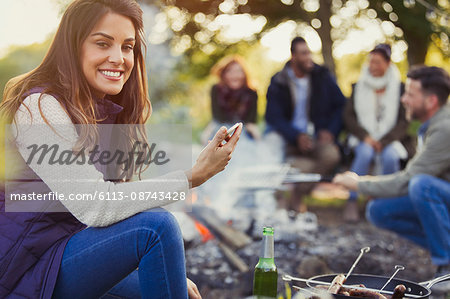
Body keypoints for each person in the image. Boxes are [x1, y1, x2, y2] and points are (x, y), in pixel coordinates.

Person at [0, 1, 242, 298]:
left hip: (60, 258)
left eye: (127, 47)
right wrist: (192, 176)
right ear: (73, 47)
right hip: (19, 270)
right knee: (157, 227)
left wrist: (170, 270)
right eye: (103, 43)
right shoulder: (40, 107)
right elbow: (96, 205)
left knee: (168, 282)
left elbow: (119, 211)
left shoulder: (107, 113)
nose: (118, 58)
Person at [334, 66, 450, 285]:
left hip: (440, 194)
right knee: (379, 211)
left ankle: (446, 267)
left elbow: (408, 180)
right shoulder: (433, 124)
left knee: (421, 185)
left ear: (431, 101)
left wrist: (359, 184)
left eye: (410, 94)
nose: (403, 99)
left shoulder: (445, 128)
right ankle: (445, 247)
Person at [265, 36, 346, 211]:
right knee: (270, 148)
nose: (308, 57)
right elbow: (273, 116)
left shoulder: (322, 76)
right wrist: (296, 136)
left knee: (331, 155)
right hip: (287, 137)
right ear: (293, 56)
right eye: (303, 53)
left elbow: (341, 105)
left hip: (316, 136)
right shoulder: (279, 81)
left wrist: (330, 131)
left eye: (309, 52)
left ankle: (298, 195)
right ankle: (273, 201)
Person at [342, 44, 414, 222]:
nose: (372, 66)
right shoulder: (359, 86)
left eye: (377, 62)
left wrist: (384, 141)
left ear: (388, 63)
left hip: (390, 139)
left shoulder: (400, 88)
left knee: (390, 157)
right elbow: (349, 116)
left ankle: (386, 201)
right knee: (364, 153)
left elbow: (404, 121)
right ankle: (351, 200)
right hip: (363, 138)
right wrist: (365, 137)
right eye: (370, 62)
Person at [201, 55, 259, 143]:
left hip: (243, 127)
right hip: (221, 126)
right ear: (223, 74)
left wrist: (257, 137)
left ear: (245, 74)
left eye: (239, 71)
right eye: (230, 71)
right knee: (209, 139)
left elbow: (251, 120)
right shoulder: (216, 89)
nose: (235, 75)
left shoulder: (251, 92)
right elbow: (217, 116)